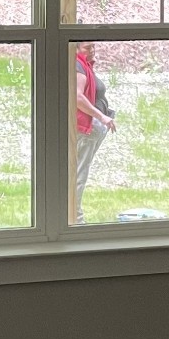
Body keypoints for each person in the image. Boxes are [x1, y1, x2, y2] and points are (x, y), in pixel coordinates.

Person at [73, 42, 115, 213]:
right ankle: (74, 216)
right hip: (86, 129)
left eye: (93, 46)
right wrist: (101, 117)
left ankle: (73, 214)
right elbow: (77, 97)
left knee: (79, 172)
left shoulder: (84, 64)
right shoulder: (77, 65)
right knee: (78, 175)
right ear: (75, 48)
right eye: (87, 48)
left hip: (94, 128)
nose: (92, 50)